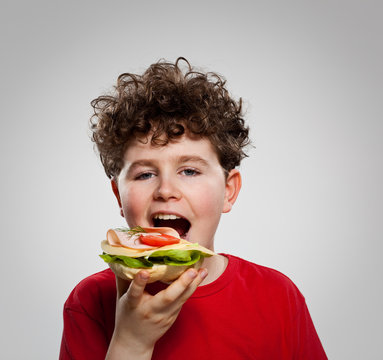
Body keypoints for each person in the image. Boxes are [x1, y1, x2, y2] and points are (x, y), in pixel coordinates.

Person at [59, 58, 327, 359]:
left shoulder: (278, 297)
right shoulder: (89, 301)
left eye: (189, 171)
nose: (165, 190)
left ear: (228, 190)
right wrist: (131, 342)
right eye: (145, 174)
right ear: (118, 197)